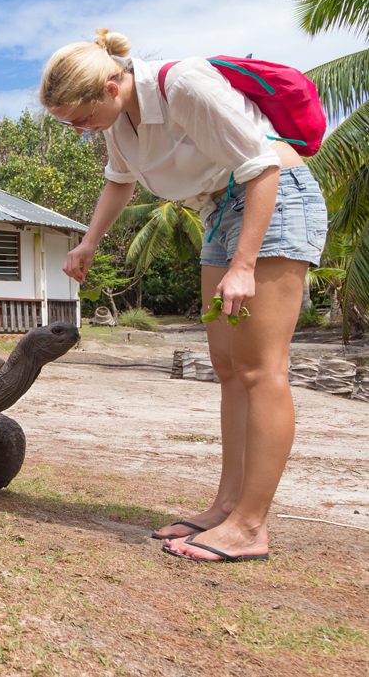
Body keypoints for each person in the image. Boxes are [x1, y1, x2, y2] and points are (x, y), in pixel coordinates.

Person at [41, 28, 327, 563]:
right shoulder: (119, 119)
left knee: (262, 368)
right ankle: (225, 507)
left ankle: (250, 526)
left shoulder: (185, 84)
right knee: (228, 366)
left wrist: (244, 264)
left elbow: (261, 165)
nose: (79, 129)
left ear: (110, 84)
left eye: (80, 117)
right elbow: (119, 181)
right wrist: (88, 243)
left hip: (273, 199)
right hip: (217, 212)